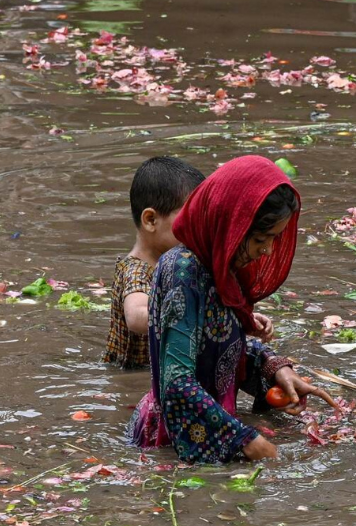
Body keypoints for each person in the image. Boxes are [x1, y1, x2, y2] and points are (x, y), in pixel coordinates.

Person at [129, 155, 338, 463]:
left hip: (218, 426)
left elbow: (219, 352)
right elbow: (176, 382)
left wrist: (275, 369)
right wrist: (244, 438)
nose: (266, 250)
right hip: (170, 442)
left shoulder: (223, 270)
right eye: (259, 239)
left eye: (273, 240)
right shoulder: (182, 271)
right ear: (231, 226)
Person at [103, 157, 205, 369]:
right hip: (133, 375)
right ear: (150, 220)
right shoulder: (137, 270)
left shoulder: (183, 264)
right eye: (190, 219)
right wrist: (194, 315)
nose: (198, 229)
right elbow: (136, 316)